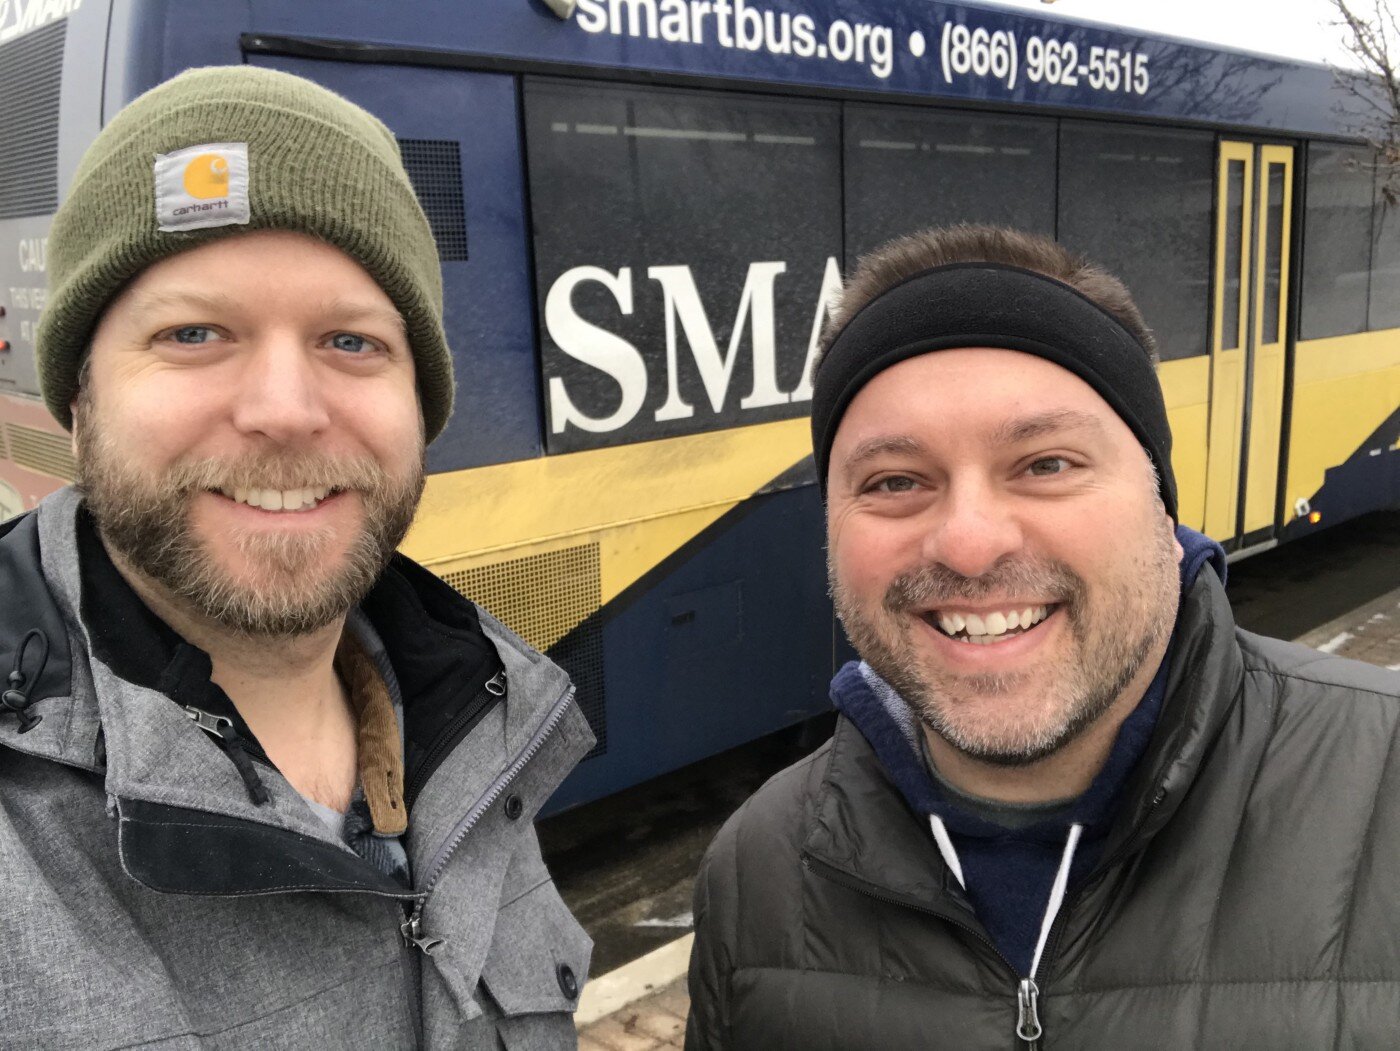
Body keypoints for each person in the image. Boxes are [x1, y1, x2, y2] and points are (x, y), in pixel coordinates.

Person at [685, 225, 1400, 1049]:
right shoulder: (759, 870)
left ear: (1163, 508)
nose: (968, 541)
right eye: (894, 481)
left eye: (1046, 463)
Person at [0, 66, 593, 1049]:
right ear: (78, 400)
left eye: (351, 342)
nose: (284, 408)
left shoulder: (476, 718)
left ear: (419, 406)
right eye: (193, 333)